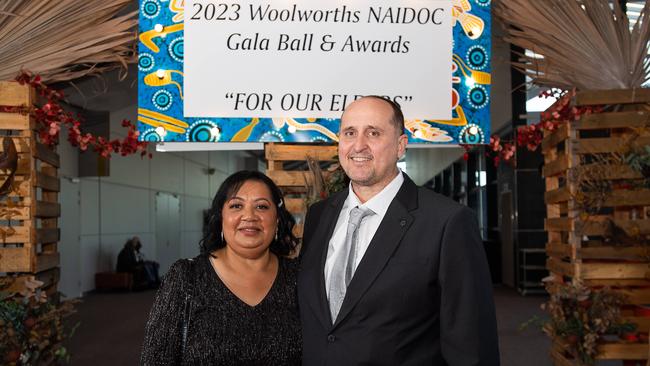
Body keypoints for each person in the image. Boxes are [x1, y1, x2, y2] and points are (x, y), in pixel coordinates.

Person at [298, 96, 500, 365]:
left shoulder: (447, 222)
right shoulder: (319, 215)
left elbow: (472, 346)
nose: (359, 145)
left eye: (374, 133)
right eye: (349, 133)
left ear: (400, 146)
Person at [141, 170, 301, 365]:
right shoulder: (186, 277)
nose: (249, 216)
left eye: (261, 206)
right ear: (221, 218)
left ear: (276, 220)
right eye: (236, 205)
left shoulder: (299, 277)